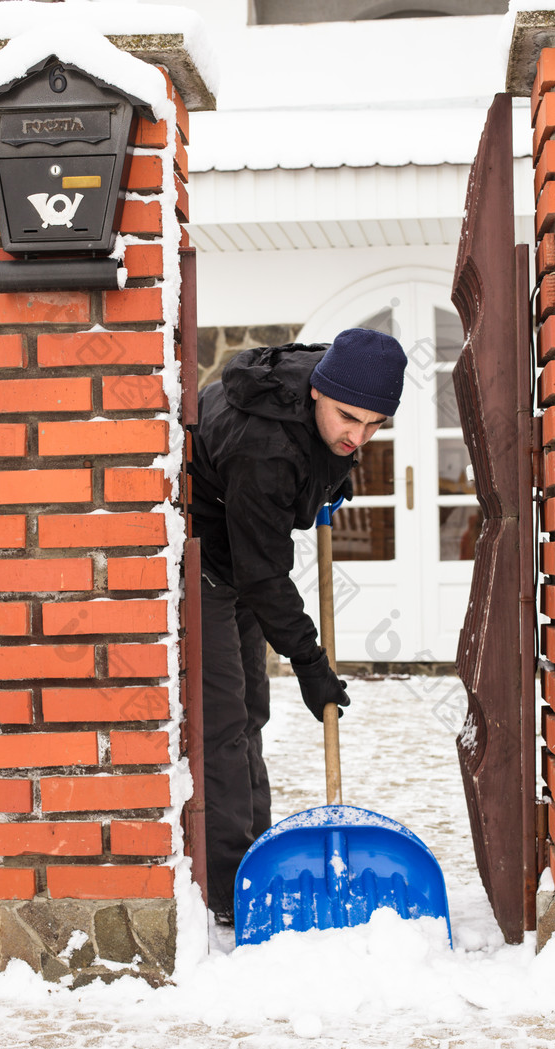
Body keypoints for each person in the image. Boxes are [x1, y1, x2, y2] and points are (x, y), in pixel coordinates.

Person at [189, 327, 407, 923]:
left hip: (244, 553)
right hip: (205, 560)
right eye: (348, 420)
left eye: (374, 426)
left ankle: (257, 851)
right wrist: (311, 665)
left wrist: (338, 475)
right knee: (223, 723)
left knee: (251, 711)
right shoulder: (265, 448)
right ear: (317, 393)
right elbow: (264, 577)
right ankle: (231, 886)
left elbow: (335, 444)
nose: (358, 436)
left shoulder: (334, 378)